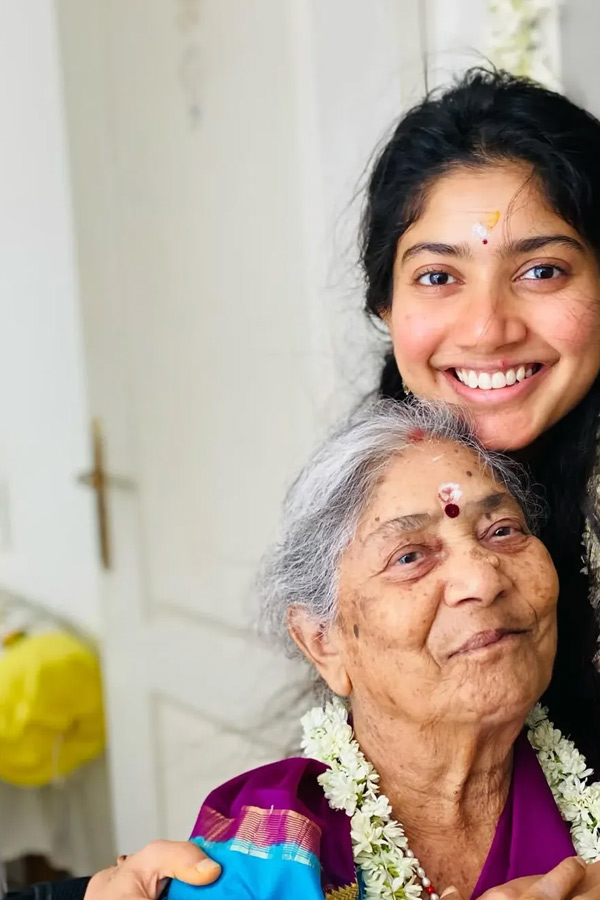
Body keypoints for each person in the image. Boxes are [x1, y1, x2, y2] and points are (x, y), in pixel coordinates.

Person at [20, 66, 600, 899]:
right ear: (385, 308)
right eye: (438, 276)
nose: (486, 327)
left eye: (542, 270)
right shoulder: (383, 477)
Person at [159, 399, 600, 899]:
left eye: (502, 531)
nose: (481, 579)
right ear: (323, 642)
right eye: (409, 557)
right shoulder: (255, 863)